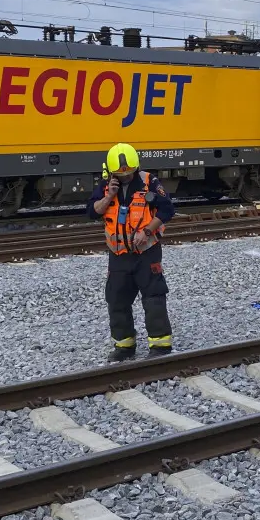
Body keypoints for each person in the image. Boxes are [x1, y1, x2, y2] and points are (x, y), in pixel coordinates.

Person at [88, 142, 175, 360]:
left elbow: (167, 209)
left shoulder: (149, 182)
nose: (126, 176)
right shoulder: (106, 187)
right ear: (111, 172)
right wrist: (109, 197)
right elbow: (91, 212)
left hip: (146, 252)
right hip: (118, 255)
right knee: (116, 300)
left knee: (154, 297)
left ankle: (160, 345)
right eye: (120, 174)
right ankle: (124, 346)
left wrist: (146, 231)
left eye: (129, 173)